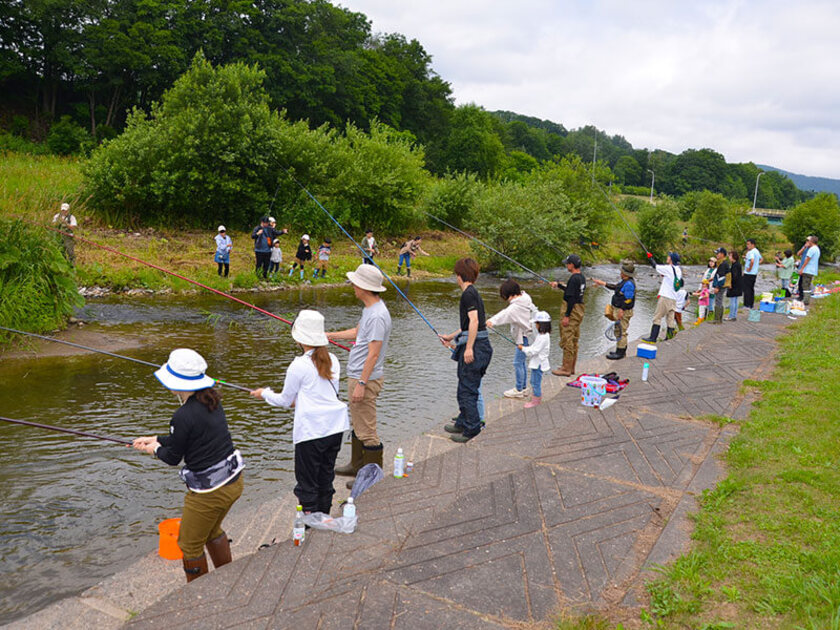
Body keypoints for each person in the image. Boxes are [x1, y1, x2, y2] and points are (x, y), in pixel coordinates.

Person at [132, 349, 244, 583]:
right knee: (211, 531)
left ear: (177, 383)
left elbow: (173, 457)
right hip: (233, 481)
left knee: (189, 544)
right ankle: (228, 578)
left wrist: (153, 450)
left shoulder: (182, 415)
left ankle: (198, 596)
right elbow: (188, 437)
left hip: (210, 492)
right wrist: (157, 440)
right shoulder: (211, 400)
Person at [250, 311, 349, 515]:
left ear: (299, 338)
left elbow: (285, 401)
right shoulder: (333, 360)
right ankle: (323, 517)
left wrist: (264, 393)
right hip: (335, 427)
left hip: (312, 431)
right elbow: (319, 392)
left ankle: (310, 525)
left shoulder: (298, 365)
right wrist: (300, 401)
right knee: (325, 475)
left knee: (307, 481)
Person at [327, 264, 392, 487]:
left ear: (364, 287)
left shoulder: (377, 316)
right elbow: (357, 333)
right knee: (358, 423)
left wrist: (361, 383)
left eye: (355, 282)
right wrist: (328, 335)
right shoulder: (370, 310)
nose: (352, 286)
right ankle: (357, 466)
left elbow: (373, 354)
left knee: (368, 430)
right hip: (358, 375)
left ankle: (371, 478)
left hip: (365, 377)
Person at [439, 258, 493, 442]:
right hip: (480, 346)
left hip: (477, 348)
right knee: (464, 385)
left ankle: (472, 429)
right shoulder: (472, 293)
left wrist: (468, 348)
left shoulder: (468, 294)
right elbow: (467, 325)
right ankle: (463, 421)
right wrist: (451, 337)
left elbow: (475, 322)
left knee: (467, 390)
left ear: (459, 275)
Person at [487, 279, 538, 398]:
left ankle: (519, 389)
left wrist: (491, 321)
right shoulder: (526, 298)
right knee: (522, 363)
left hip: (524, 337)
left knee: (517, 362)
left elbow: (505, 314)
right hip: (530, 335)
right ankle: (524, 388)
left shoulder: (515, 307)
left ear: (509, 294)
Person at [591, 261, 635, 360]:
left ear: (625, 273)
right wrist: (602, 283)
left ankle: (620, 353)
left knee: (621, 331)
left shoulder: (629, 284)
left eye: (622, 272)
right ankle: (620, 350)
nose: (620, 273)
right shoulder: (624, 281)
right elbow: (615, 287)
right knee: (618, 330)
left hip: (623, 311)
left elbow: (629, 299)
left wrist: (621, 310)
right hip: (619, 310)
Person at [550, 254, 585, 376]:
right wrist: (559, 285)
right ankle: (571, 367)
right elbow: (572, 292)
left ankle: (566, 369)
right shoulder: (581, 277)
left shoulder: (573, 279)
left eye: (567, 263)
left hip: (572, 310)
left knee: (567, 338)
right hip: (579, 310)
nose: (566, 265)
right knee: (574, 338)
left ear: (572, 265)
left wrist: (567, 315)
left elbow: (570, 299)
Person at [642, 252, 683, 342]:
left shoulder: (668, 268)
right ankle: (669, 337)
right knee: (670, 319)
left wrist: (650, 257)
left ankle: (653, 338)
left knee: (657, 317)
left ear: (671, 259)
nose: (667, 257)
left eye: (669, 256)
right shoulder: (678, 270)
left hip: (665, 297)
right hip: (673, 298)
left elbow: (655, 266)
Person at [518, 311, 551, 408]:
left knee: (535, 382)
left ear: (540, 324)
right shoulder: (544, 336)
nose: (535, 326)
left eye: (536, 323)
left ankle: (535, 401)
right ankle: (536, 399)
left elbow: (533, 351)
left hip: (538, 363)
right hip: (539, 362)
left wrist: (522, 348)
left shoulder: (542, 337)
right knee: (534, 381)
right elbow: (534, 348)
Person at [797, 235, 820, 305]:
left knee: (805, 285)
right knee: (806, 284)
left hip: (807, 270)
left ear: (811, 241)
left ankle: (806, 300)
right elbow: (799, 254)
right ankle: (805, 299)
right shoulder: (817, 249)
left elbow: (807, 260)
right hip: (812, 270)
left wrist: (802, 269)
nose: (807, 242)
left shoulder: (812, 249)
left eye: (809, 241)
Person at [711, 247, 731, 324]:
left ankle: (717, 319)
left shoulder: (723, 264)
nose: (716, 255)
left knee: (718, 300)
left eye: (717, 253)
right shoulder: (722, 263)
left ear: (722, 254)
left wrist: (717, 287)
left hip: (721, 285)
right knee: (719, 300)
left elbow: (721, 277)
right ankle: (719, 319)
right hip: (723, 285)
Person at [743, 238, 762, 310]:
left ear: (752, 244)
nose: (747, 246)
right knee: (751, 289)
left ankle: (746, 305)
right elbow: (761, 259)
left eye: (748, 244)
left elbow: (752, 261)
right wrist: (756, 265)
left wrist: (749, 268)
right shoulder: (757, 251)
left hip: (749, 273)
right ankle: (751, 304)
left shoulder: (750, 252)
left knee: (746, 289)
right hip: (754, 273)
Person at [725, 251, 743, 320]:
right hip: (738, 285)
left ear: (733, 257)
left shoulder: (735, 265)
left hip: (734, 285)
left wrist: (730, 284)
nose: (729, 257)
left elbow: (734, 276)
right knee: (735, 300)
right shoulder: (737, 264)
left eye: (730, 256)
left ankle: (731, 316)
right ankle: (734, 315)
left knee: (733, 301)